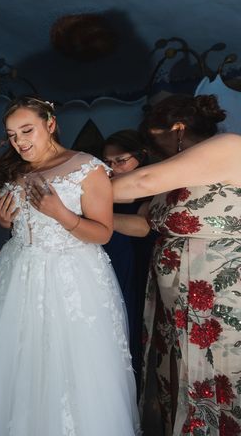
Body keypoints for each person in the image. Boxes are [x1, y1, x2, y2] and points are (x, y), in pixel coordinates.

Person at [0, 96, 140, 435]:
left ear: (50, 124)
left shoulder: (87, 167)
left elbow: (103, 233)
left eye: (27, 130)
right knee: (14, 357)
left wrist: (62, 215)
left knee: (66, 362)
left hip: (70, 277)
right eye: (11, 135)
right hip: (18, 271)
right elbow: (23, 225)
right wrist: (4, 221)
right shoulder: (17, 170)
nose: (19, 141)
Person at [112, 94, 241, 435]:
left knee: (221, 379)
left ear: (178, 129)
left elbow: (138, 183)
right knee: (178, 381)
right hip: (174, 307)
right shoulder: (178, 173)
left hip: (221, 297)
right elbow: (143, 224)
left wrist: (62, 182)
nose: (155, 150)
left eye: (155, 138)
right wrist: (72, 218)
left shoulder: (228, 146)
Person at [102, 129, 156, 391]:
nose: (113, 169)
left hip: (137, 265)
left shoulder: (151, 187)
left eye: (120, 161)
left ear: (141, 157)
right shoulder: (104, 187)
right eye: (108, 163)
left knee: (131, 328)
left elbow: (143, 226)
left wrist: (90, 220)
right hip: (106, 264)